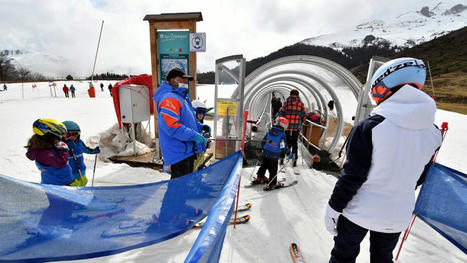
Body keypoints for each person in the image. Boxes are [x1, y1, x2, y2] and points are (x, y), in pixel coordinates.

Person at [325, 57, 442, 263]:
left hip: (358, 211)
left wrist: (334, 207)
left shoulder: (370, 127)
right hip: (397, 215)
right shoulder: (434, 134)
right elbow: (419, 176)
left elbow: (353, 176)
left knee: (343, 256)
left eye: (377, 91)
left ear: (386, 86)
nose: (377, 98)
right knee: (382, 258)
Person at [153, 68, 207, 179]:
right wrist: (194, 136)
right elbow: (172, 127)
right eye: (181, 79)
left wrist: (200, 127)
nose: (184, 82)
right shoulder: (170, 98)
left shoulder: (180, 97)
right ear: (171, 80)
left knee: (184, 187)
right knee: (178, 190)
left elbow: (187, 121)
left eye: (185, 80)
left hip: (186, 151)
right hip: (179, 154)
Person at [25, 118, 80, 186]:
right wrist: (63, 149)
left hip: (64, 183)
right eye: (57, 138)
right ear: (48, 137)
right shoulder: (43, 154)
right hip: (57, 188)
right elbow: (61, 162)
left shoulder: (48, 148)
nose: (58, 140)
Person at [252, 117, 293, 191]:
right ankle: (272, 183)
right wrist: (289, 154)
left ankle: (260, 177)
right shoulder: (282, 134)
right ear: (284, 126)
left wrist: (265, 148)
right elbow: (283, 146)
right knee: (273, 169)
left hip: (265, 153)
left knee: (264, 165)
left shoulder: (269, 131)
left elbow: (263, 142)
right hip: (274, 155)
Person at [62, 121, 100, 186]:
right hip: (70, 174)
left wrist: (95, 151)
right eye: (68, 135)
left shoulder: (79, 143)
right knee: (74, 187)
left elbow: (86, 149)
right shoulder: (62, 146)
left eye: (75, 134)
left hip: (81, 171)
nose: (72, 137)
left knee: (83, 182)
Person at [278, 89, 306, 167]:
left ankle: (282, 157)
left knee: (284, 141)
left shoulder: (286, 103)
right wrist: (301, 121)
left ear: (290, 94)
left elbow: (281, 113)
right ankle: (294, 158)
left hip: (286, 126)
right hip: (296, 127)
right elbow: (304, 116)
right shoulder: (301, 104)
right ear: (297, 95)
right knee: (294, 142)